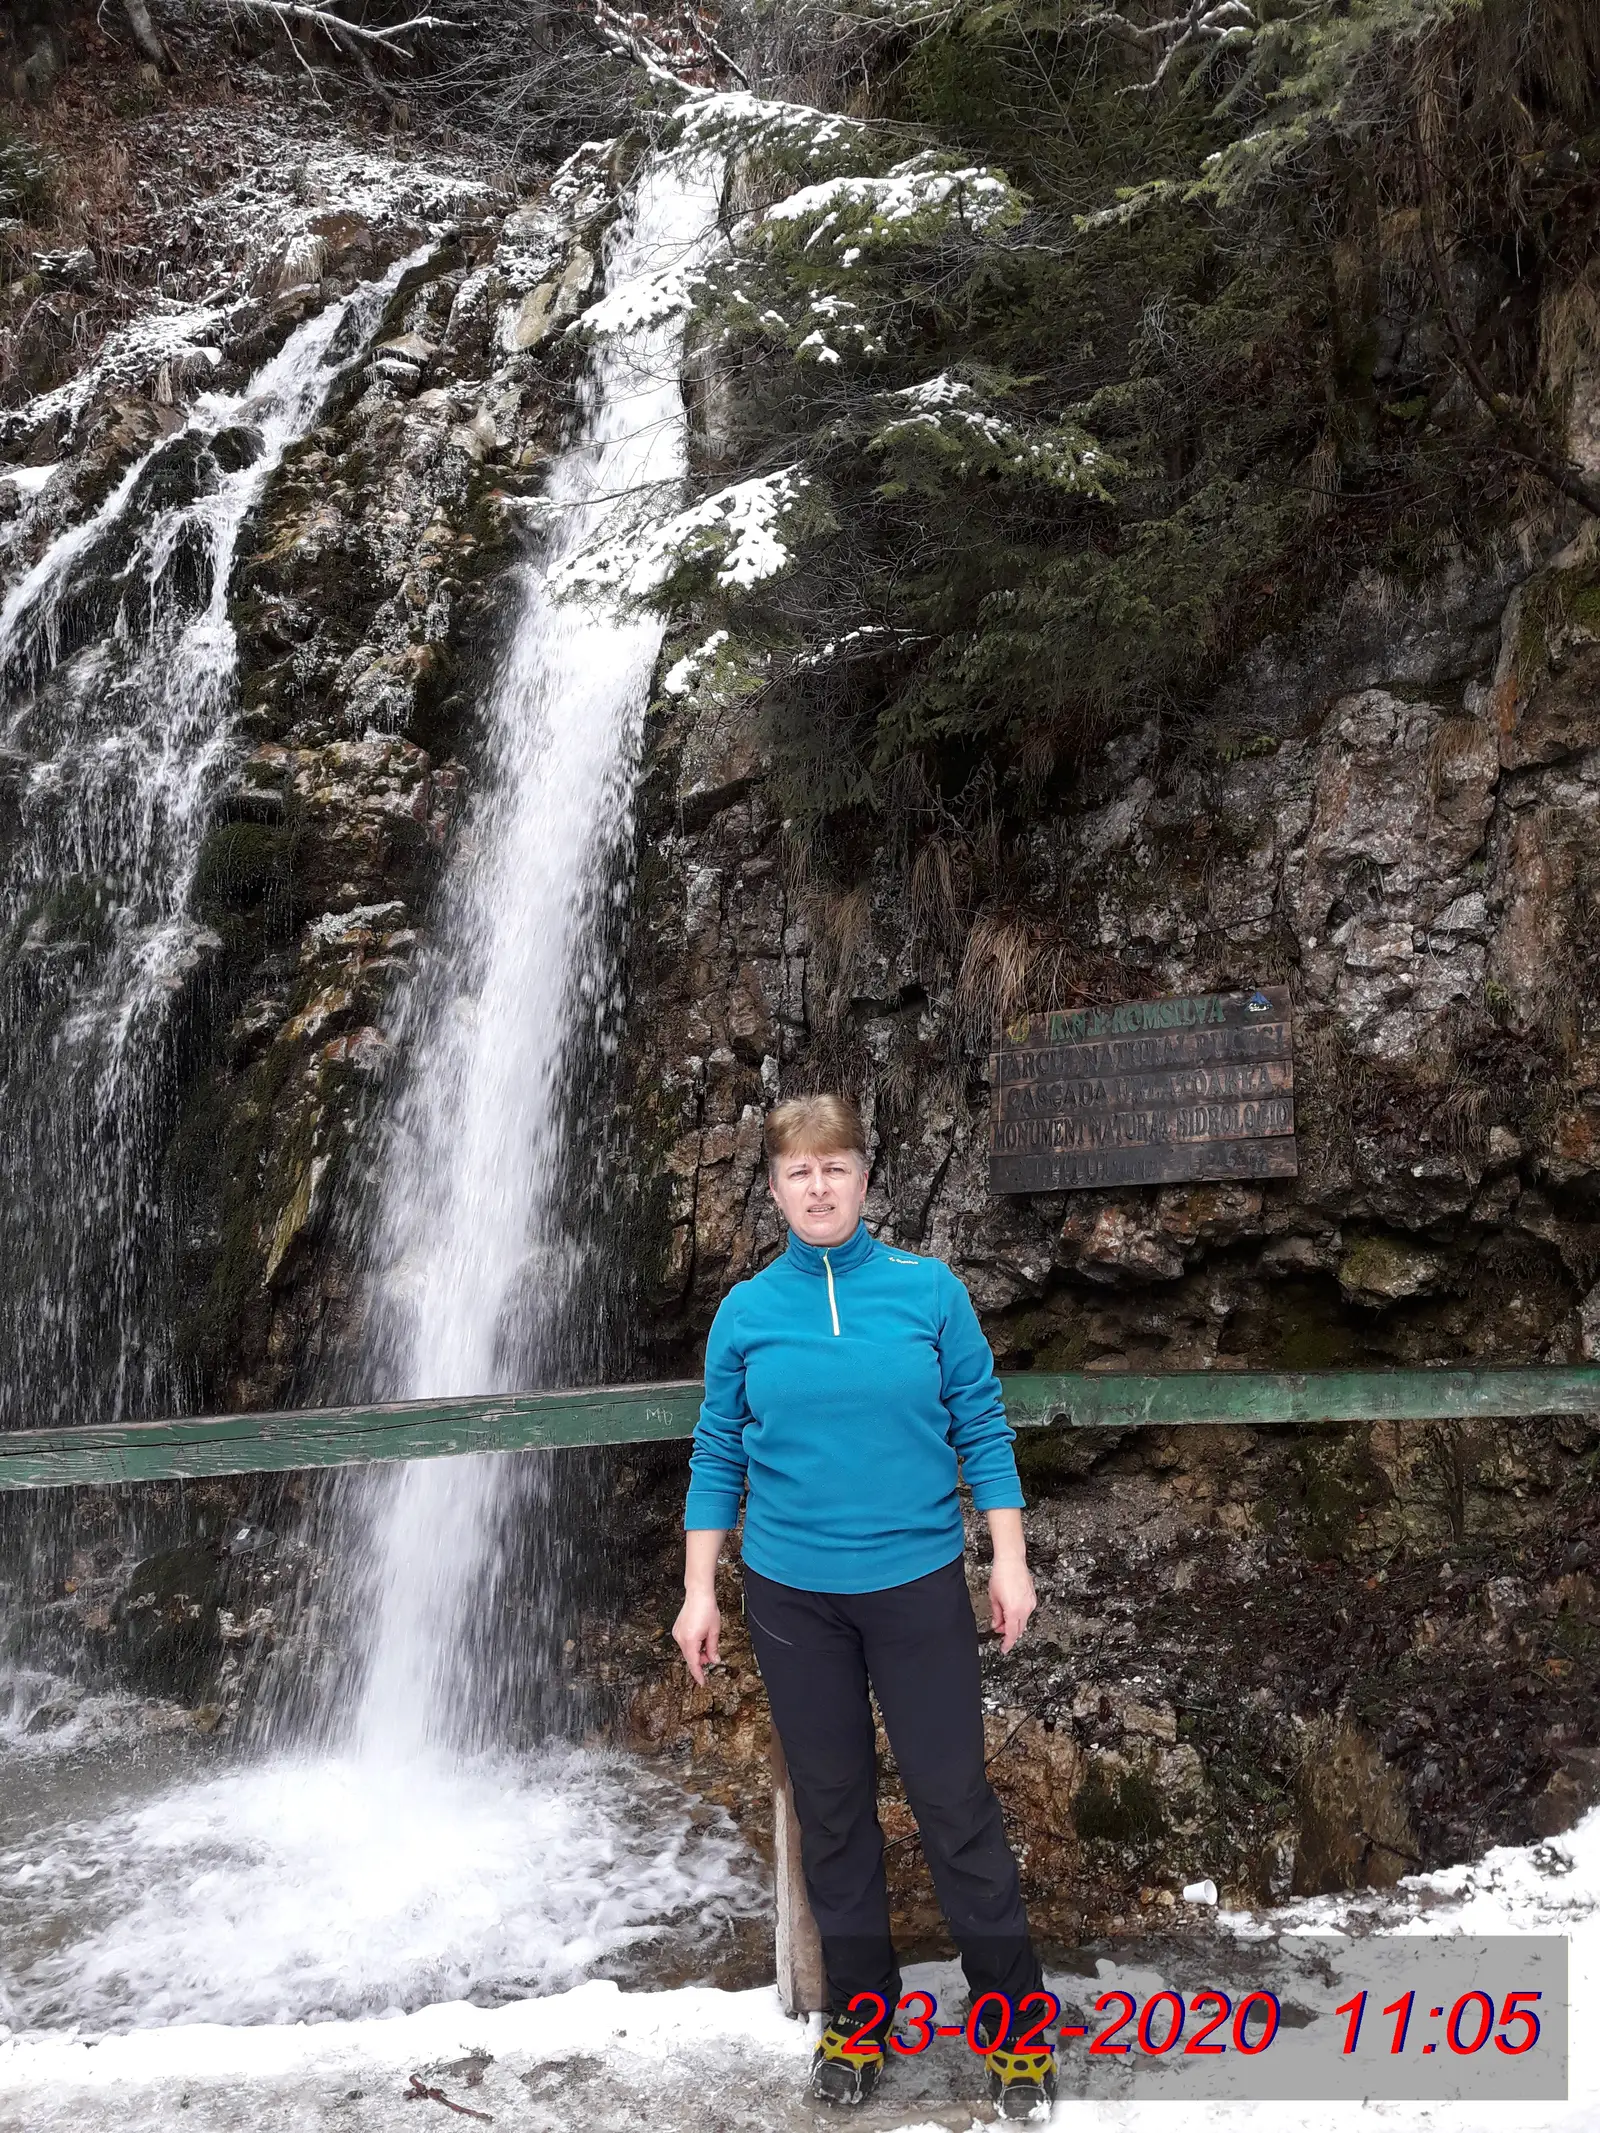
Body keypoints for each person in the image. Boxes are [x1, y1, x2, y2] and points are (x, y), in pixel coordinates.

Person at [672, 1093, 1055, 2120]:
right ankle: (859, 2014)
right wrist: (699, 1589)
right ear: (774, 1189)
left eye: (834, 1167)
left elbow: (983, 1426)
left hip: (917, 1584)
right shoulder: (747, 1312)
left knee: (953, 1802)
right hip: (793, 1597)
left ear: (863, 1178)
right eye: (799, 1172)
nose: (818, 1187)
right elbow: (716, 1453)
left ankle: (1016, 2026)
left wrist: (1008, 1560)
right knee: (834, 1813)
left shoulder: (928, 1292)